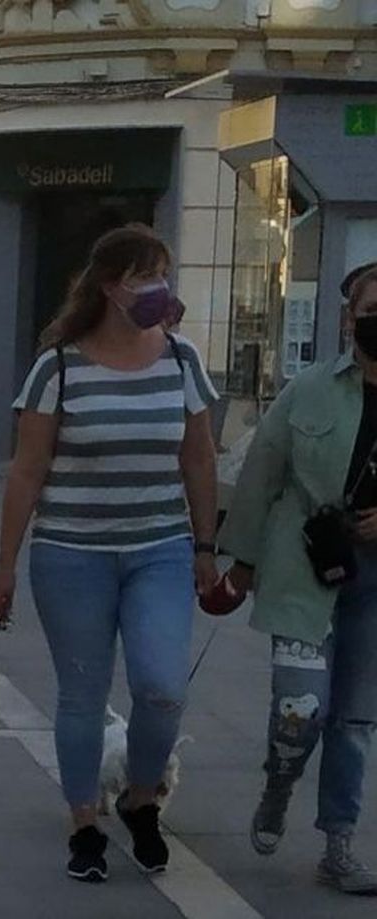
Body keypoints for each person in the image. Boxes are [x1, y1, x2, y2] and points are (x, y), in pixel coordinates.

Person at [0, 225, 220, 884]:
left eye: (163, 275)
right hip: (71, 552)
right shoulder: (59, 366)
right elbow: (26, 471)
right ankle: (84, 821)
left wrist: (206, 545)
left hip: (160, 550)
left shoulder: (181, 360)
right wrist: (6, 563)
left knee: (162, 688)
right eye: (147, 276)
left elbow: (199, 456)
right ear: (111, 286)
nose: (160, 290)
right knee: (83, 695)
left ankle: (141, 796)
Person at [219, 264, 377, 895]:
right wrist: (242, 558)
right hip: (302, 570)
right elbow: (261, 471)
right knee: (300, 709)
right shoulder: (309, 389)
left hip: (373, 585)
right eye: (373, 306)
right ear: (350, 316)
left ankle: (339, 843)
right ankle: (280, 782)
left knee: (355, 719)